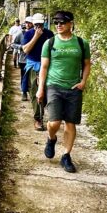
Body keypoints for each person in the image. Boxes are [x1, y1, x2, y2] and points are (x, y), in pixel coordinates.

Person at [38, 10, 91, 173]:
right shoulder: (50, 43)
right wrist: (40, 88)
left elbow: (87, 64)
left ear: (71, 24)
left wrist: (83, 82)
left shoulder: (82, 43)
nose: (59, 25)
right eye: (56, 23)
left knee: (70, 123)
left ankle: (66, 156)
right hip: (54, 86)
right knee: (54, 122)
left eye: (62, 22)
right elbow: (44, 67)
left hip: (73, 88)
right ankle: (51, 138)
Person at [21, 13, 53, 129]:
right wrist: (36, 37)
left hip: (48, 66)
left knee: (47, 92)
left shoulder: (49, 34)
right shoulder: (29, 34)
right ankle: (38, 118)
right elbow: (26, 50)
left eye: (40, 24)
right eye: (36, 24)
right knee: (35, 91)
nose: (38, 27)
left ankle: (45, 114)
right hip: (33, 65)